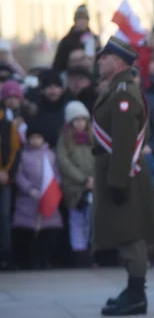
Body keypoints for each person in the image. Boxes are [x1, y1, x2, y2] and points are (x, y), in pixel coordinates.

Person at [94, 36, 154, 315]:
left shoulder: (122, 93)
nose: (99, 61)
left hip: (124, 171)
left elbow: (123, 140)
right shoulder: (118, 89)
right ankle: (133, 289)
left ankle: (136, 293)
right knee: (125, 230)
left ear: (118, 61)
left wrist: (118, 180)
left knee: (131, 232)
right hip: (121, 169)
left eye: (104, 57)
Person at [13, 118, 63, 269]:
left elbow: (57, 174)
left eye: (38, 137)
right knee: (27, 235)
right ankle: (29, 261)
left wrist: (54, 187)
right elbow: (19, 175)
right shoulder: (23, 155)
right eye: (32, 138)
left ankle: (45, 260)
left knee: (47, 234)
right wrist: (29, 189)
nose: (35, 141)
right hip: (27, 201)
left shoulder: (50, 155)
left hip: (47, 199)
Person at [56, 101, 95, 268]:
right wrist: (82, 179)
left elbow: (100, 159)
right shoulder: (65, 140)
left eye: (83, 119)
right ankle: (79, 254)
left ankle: (89, 251)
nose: (80, 123)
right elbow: (64, 162)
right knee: (76, 221)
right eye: (76, 120)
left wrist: (93, 179)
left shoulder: (93, 139)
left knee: (90, 220)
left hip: (93, 186)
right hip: (74, 188)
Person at [0, 87, 20, 270]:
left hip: (4, 179)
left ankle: (5, 256)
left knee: (4, 217)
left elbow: (15, 150)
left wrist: (6, 171)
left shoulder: (7, 124)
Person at [27, 70, 68, 148]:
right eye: (49, 87)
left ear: (62, 90)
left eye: (56, 87)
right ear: (43, 90)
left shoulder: (69, 107)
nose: (53, 91)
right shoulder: (35, 109)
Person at [52, 5, 98, 73]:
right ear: (75, 21)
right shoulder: (66, 41)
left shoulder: (94, 39)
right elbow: (58, 64)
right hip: (71, 76)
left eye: (85, 19)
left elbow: (100, 60)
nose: (82, 22)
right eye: (80, 19)